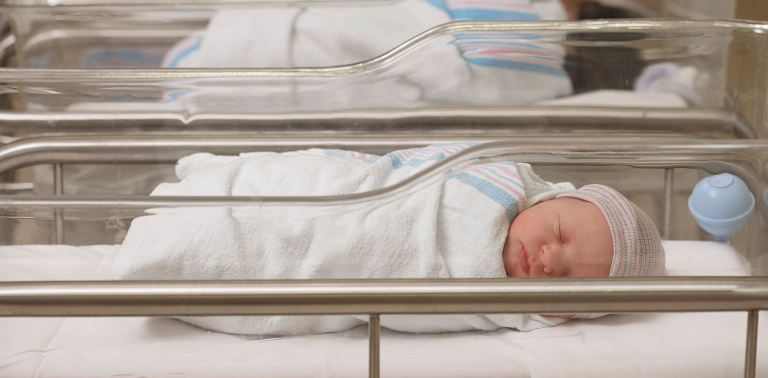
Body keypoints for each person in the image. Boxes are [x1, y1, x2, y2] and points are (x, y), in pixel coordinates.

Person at [113, 144, 665, 335]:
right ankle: (221, 189)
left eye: (568, 281)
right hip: (354, 193)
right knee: (294, 190)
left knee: (255, 248)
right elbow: (401, 170)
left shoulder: (502, 304)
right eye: (561, 234)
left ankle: (176, 248)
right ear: (548, 199)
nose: (548, 261)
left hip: (322, 262)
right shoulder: (497, 182)